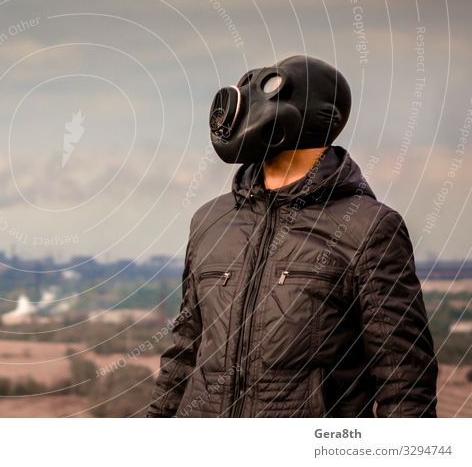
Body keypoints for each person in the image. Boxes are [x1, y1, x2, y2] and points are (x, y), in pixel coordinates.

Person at [147, 55, 437, 417]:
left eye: (270, 87)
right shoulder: (210, 221)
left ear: (321, 116)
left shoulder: (368, 228)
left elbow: (406, 380)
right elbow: (184, 352)